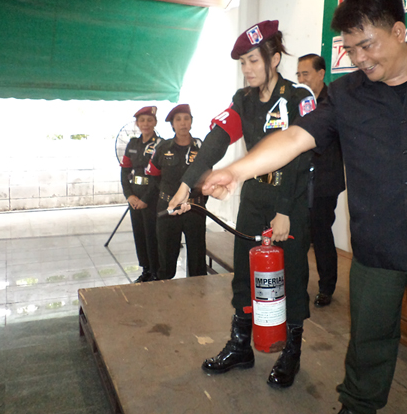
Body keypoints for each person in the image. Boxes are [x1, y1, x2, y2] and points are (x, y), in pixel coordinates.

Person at [198, 0, 407, 414]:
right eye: (350, 49)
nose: (359, 58)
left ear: (399, 31)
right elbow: (295, 137)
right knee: (368, 345)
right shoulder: (347, 94)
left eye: (366, 45)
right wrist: (235, 171)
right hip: (376, 250)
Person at [168, 20, 317, 389]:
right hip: (254, 198)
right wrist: (187, 184)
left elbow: (304, 158)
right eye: (242, 63)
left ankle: (291, 351)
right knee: (244, 275)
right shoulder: (243, 100)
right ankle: (240, 346)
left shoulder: (298, 97)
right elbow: (216, 140)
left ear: (274, 58)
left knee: (291, 275)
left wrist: (285, 210)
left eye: (253, 60)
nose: (247, 69)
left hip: (290, 199)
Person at [297, 54, 345, 307]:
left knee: (321, 233)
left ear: (321, 74)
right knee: (298, 233)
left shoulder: (334, 102)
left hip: (325, 180)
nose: (301, 79)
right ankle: (297, 284)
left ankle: (327, 287)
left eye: (305, 74)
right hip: (301, 180)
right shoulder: (298, 102)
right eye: (298, 74)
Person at [146, 104, 207, 280]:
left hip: (194, 209)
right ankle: (165, 293)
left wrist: (198, 200)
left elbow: (207, 177)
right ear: (172, 124)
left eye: (186, 118)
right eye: (178, 119)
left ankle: (198, 293)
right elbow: (153, 175)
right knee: (166, 259)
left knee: (197, 260)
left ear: (191, 122)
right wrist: (166, 195)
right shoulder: (163, 147)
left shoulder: (200, 147)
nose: (183, 123)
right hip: (168, 209)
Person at [120, 106, 161, 283]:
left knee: (153, 235)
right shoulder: (132, 144)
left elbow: (159, 176)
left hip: (152, 196)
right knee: (140, 234)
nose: (146, 124)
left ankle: (156, 272)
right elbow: (124, 171)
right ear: (137, 123)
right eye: (142, 120)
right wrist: (129, 195)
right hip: (134, 195)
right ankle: (145, 270)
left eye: (149, 120)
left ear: (155, 122)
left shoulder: (161, 145)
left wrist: (145, 199)